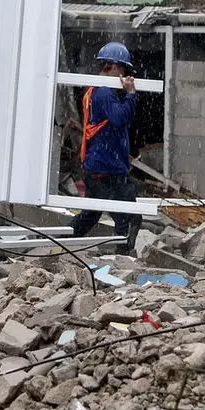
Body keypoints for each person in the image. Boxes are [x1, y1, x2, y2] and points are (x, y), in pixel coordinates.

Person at [70, 42, 142, 254]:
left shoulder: (97, 91)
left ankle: (61, 240)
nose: (125, 75)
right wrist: (130, 95)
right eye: (124, 70)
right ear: (113, 66)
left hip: (100, 165)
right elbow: (119, 118)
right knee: (128, 216)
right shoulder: (103, 92)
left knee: (91, 214)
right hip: (106, 168)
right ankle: (123, 258)